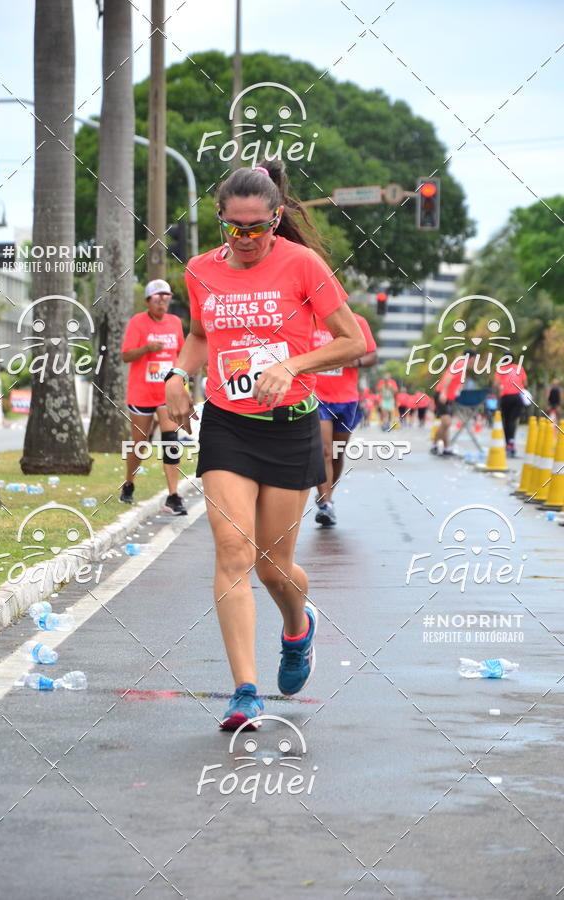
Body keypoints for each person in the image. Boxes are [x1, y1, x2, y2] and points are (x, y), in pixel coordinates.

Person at [165, 161, 366, 731]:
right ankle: (245, 692)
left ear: (276, 219)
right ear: (220, 220)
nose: (248, 239)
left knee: (273, 567)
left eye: (258, 228)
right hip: (228, 424)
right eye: (236, 228)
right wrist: (175, 377)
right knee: (232, 553)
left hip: (290, 425)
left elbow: (353, 341)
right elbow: (201, 336)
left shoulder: (302, 264)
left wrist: (292, 363)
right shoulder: (201, 271)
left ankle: (298, 629)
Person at [120, 279, 187, 515]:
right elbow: (126, 356)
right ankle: (129, 483)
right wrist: (147, 349)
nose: (162, 301)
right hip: (141, 392)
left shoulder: (175, 322)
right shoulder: (137, 323)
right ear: (148, 301)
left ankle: (173, 495)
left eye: (166, 296)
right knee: (140, 444)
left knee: (171, 439)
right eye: (158, 297)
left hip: (166, 393)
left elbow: (181, 354)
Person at [312, 313, 377, 526]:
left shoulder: (356, 321)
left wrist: (354, 361)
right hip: (317, 396)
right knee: (325, 451)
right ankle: (326, 503)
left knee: (338, 453)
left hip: (347, 399)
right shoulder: (309, 319)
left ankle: (327, 493)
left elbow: (372, 355)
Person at [431, 350, 478, 456]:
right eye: (474, 360)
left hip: (449, 397)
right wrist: (443, 393)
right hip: (442, 395)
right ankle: (435, 445)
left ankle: (445, 448)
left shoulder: (462, 366)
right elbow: (449, 377)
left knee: (446, 424)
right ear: (470, 358)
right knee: (446, 422)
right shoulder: (460, 364)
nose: (474, 362)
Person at [494, 361, 528, 457]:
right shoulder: (519, 368)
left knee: (506, 421)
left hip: (506, 397)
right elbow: (525, 383)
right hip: (517, 397)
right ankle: (511, 442)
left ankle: (508, 443)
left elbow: (496, 384)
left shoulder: (500, 369)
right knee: (512, 421)